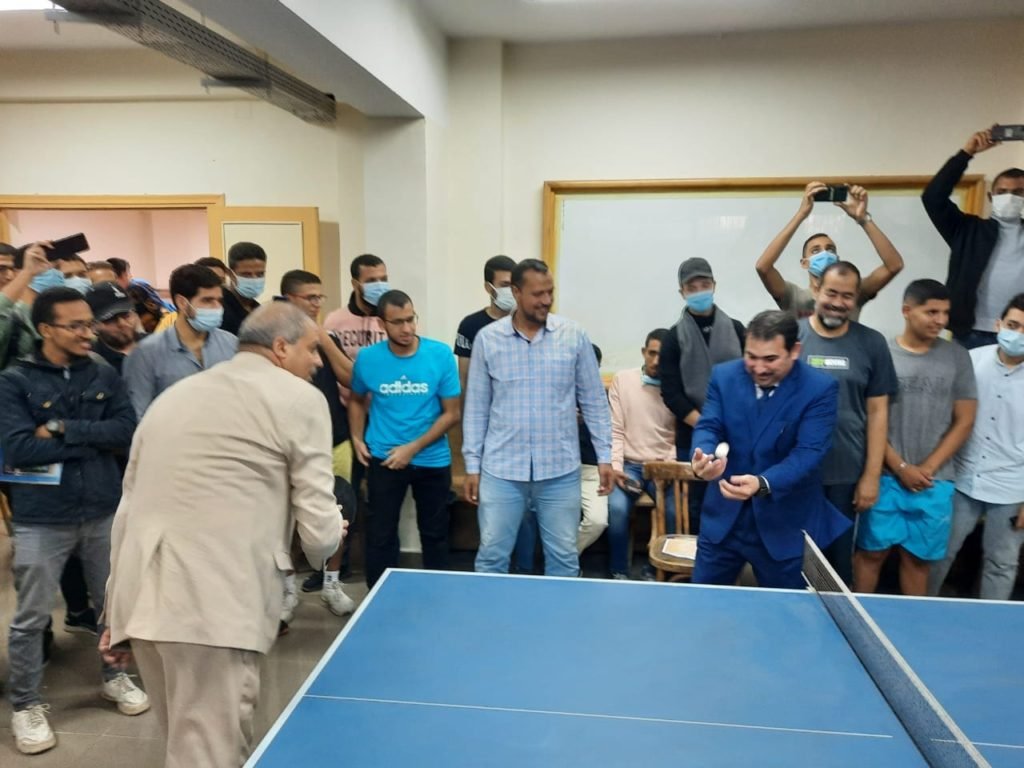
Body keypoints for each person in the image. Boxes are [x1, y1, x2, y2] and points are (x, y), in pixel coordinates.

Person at [102, 302, 343, 768]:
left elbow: (128, 506)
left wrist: (114, 611)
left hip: (141, 597)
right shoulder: (301, 398)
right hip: (211, 603)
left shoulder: (174, 397)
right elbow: (318, 528)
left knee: (183, 743)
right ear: (280, 347)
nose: (318, 362)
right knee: (209, 754)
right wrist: (331, 534)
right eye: (312, 349)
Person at [0, 287, 144, 756]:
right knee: (31, 616)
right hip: (42, 517)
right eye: (76, 325)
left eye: (90, 324)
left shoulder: (103, 372)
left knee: (112, 605)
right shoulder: (14, 382)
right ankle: (25, 704)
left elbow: (127, 431)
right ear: (46, 329)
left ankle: (115, 676)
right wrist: (93, 440)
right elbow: (19, 449)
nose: (89, 333)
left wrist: (62, 429)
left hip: (102, 509)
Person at [464, 258, 613, 577]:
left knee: (564, 559)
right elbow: (476, 408)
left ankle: (560, 612)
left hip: (560, 471)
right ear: (516, 293)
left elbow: (595, 402)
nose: (546, 300)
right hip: (501, 471)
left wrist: (605, 457)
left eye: (550, 292)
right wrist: (472, 465)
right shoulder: (488, 340)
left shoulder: (574, 336)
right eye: (537, 294)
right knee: (491, 558)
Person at [689, 310, 848, 589]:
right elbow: (709, 426)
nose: (759, 368)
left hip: (784, 524)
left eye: (770, 359)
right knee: (703, 603)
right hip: (723, 521)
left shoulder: (819, 388)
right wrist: (703, 456)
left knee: (785, 611)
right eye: (751, 356)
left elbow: (809, 452)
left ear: (794, 351)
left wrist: (763, 483)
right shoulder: (724, 376)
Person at [853, 280, 977, 596]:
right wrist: (901, 467)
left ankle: (913, 623)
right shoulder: (882, 353)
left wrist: (927, 468)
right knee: (871, 555)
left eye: (945, 313)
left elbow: (965, 419)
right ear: (907, 311)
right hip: (884, 477)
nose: (940, 320)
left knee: (918, 561)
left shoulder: (958, 356)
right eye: (931, 312)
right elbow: (870, 417)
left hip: (935, 481)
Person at [350, 290, 461, 587]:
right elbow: (357, 400)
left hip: (432, 459)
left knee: (435, 534)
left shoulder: (439, 355)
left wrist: (412, 449)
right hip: (384, 458)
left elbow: (452, 414)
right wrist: (357, 437)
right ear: (381, 323)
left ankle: (438, 595)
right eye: (398, 322)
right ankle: (379, 597)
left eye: (411, 319)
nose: (407, 328)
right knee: (380, 535)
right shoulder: (368, 359)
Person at [798, 261, 898, 585]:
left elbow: (879, 412)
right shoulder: (791, 337)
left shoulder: (872, 343)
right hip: (795, 474)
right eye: (831, 293)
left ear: (856, 299)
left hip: (846, 477)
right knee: (793, 562)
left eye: (847, 296)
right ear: (816, 289)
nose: (838, 303)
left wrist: (871, 476)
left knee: (836, 571)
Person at [929, 294, 1024, 600]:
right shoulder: (970, 361)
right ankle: (920, 611)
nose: (1018, 335)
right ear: (998, 324)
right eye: (1013, 325)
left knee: (1002, 564)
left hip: (1012, 489)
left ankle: (993, 623)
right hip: (960, 479)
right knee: (938, 554)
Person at [280, 269, 357, 615]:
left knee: (337, 513)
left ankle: (331, 584)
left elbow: (350, 378)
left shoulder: (327, 337)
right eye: (309, 297)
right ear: (289, 299)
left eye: (319, 297)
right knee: (283, 521)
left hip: (332, 440)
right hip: (288, 445)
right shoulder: (275, 339)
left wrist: (321, 337)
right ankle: (286, 590)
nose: (316, 303)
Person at [659, 257, 745, 534]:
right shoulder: (673, 338)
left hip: (738, 433)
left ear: (714, 285)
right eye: (691, 287)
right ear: (682, 292)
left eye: (704, 285)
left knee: (735, 495)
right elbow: (671, 393)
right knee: (696, 504)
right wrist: (706, 424)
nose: (699, 291)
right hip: (693, 436)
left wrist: (731, 422)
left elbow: (751, 378)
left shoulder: (738, 330)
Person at [922, 127, 1024, 348]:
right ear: (991, 196)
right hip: (971, 332)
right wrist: (967, 153)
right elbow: (933, 198)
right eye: (1002, 192)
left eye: (1018, 193)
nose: (1009, 197)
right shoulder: (968, 230)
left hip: (1020, 332)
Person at [755, 182, 904, 319]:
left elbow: (894, 265)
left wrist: (863, 218)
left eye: (830, 250)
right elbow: (763, 267)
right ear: (804, 263)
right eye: (815, 251)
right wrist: (801, 214)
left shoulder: (853, 292)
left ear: (837, 260)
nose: (825, 254)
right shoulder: (794, 296)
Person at [607, 328, 677, 579]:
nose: (656, 361)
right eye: (652, 353)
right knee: (616, 510)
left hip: (663, 466)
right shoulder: (623, 380)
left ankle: (656, 570)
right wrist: (616, 468)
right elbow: (615, 430)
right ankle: (618, 572)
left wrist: (667, 465)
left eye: (662, 355)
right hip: (629, 464)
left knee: (674, 513)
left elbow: (679, 435)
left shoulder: (677, 386)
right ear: (643, 352)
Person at [123, 264, 237, 417]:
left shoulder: (231, 344)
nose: (217, 307)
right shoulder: (146, 354)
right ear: (182, 302)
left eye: (219, 301)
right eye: (207, 300)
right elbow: (140, 414)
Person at [454, 254, 517, 395]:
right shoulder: (470, 326)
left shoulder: (525, 324)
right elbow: (464, 380)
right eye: (505, 285)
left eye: (514, 285)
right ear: (489, 288)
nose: (511, 291)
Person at [323, 252, 389, 365]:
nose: (379, 286)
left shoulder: (393, 320)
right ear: (355, 284)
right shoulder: (334, 320)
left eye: (383, 279)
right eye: (371, 281)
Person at [87, 281, 144, 374]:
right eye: (110, 319)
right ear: (93, 326)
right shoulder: (91, 362)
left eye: (126, 315)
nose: (122, 323)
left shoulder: (158, 345)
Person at [222, 242, 266, 335]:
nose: (254, 279)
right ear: (230, 274)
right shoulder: (220, 307)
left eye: (260, 274)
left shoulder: (258, 310)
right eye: (246, 274)